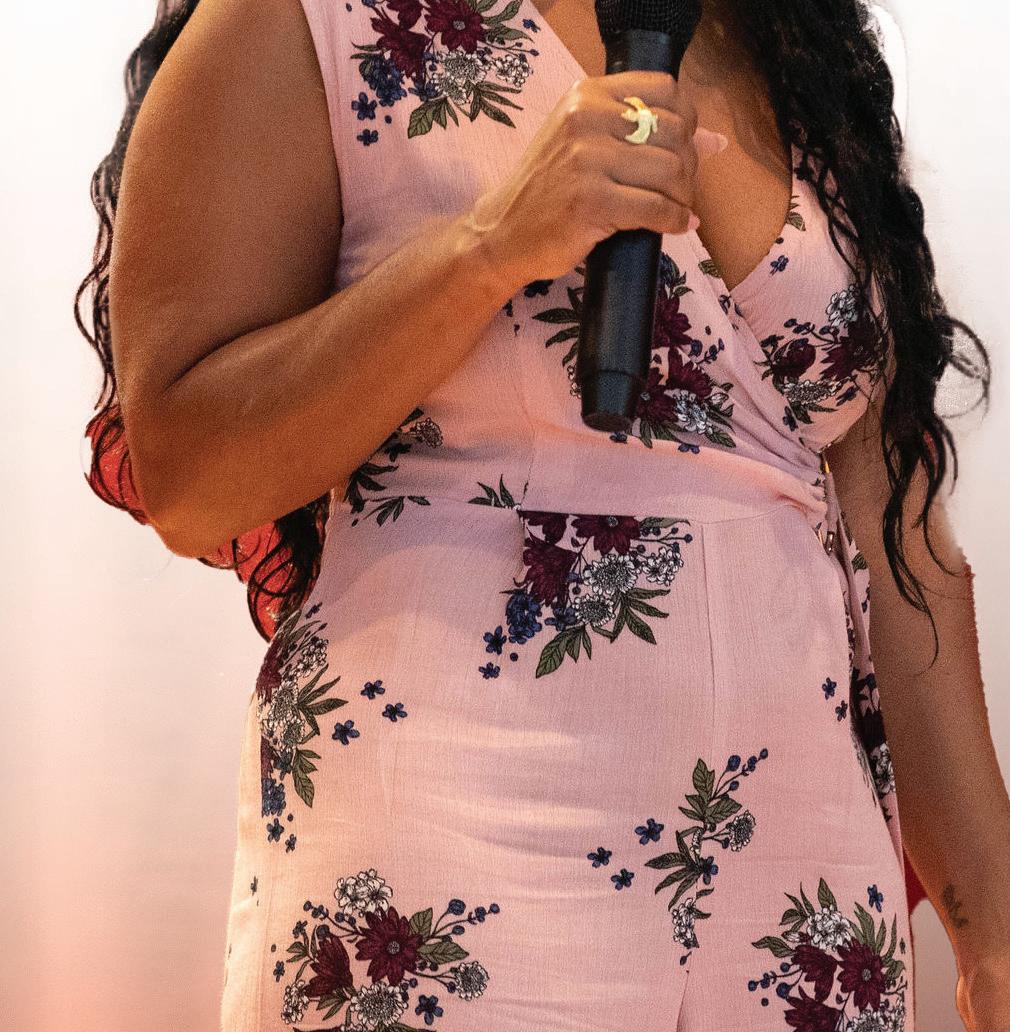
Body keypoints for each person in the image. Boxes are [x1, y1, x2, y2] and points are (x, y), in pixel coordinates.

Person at [78, 0, 1007, 1029]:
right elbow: (189, 479)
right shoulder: (303, 17)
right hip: (456, 843)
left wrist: (993, 934)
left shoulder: (790, 41)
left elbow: (896, 530)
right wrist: (489, 246)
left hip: (795, 872)